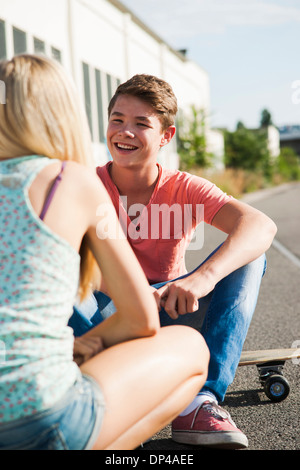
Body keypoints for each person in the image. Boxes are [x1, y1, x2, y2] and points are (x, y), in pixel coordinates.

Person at [0, 55, 210, 451]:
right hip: (33, 413)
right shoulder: (71, 180)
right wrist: (80, 346)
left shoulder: (181, 186)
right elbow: (142, 320)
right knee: (191, 348)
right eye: (118, 118)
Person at [70, 74, 277, 449]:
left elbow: (259, 225)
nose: (124, 131)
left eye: (140, 123)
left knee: (249, 259)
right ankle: (80, 391)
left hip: (170, 312)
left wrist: (201, 280)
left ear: (165, 136)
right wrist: (129, 295)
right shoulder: (85, 185)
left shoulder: (184, 187)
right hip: (106, 318)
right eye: (117, 119)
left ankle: (198, 403)